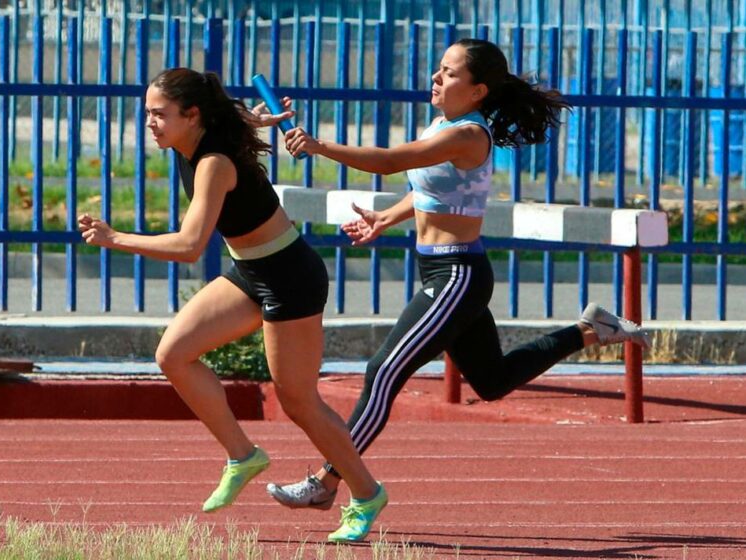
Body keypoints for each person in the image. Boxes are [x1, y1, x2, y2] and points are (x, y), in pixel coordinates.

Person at [266, 38, 652, 509]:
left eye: (449, 73)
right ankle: (590, 330)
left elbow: (390, 162)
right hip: (443, 270)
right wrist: (386, 219)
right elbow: (431, 191)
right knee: (491, 382)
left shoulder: (468, 134)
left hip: (456, 274)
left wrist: (319, 145)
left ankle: (328, 483)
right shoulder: (443, 124)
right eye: (439, 69)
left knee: (383, 371)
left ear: (477, 91)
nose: (436, 78)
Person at [78, 68, 386, 542]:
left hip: (289, 277)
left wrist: (114, 237)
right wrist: (256, 119)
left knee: (298, 401)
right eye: (146, 114)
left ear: (192, 115)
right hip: (251, 271)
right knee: (173, 354)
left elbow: (189, 246)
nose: (150, 123)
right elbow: (235, 116)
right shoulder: (200, 136)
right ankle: (243, 456)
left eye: (159, 115)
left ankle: (365, 494)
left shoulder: (213, 163)